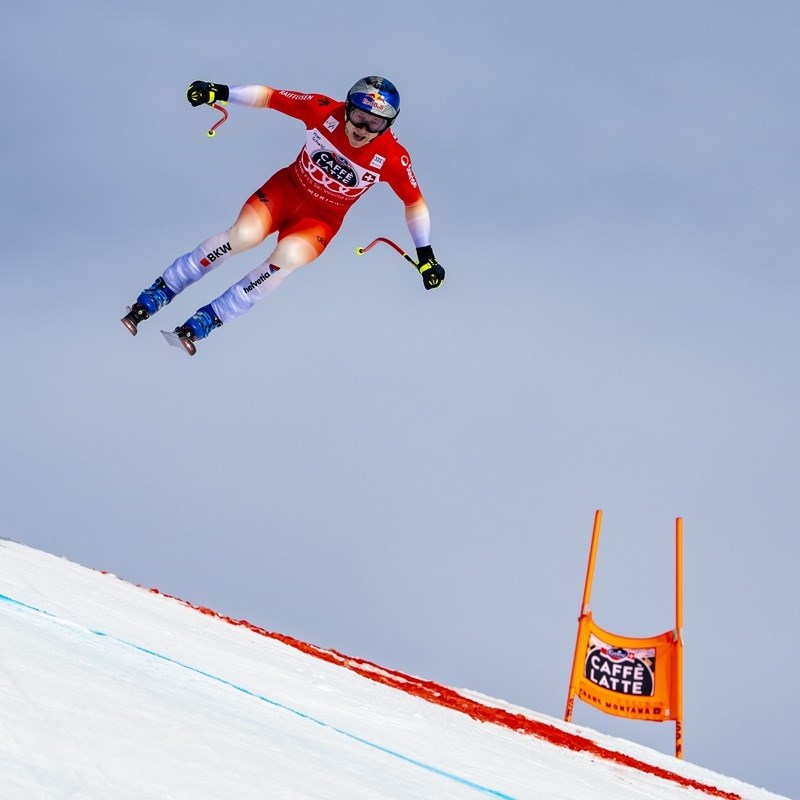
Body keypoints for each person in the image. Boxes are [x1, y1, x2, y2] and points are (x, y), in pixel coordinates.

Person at [122, 76, 445, 355]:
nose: (362, 129)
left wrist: (425, 254)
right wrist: (219, 92)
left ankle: (209, 319)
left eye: (375, 124)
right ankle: (160, 292)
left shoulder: (392, 157)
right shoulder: (321, 109)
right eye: (359, 116)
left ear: (388, 125)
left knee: (284, 261)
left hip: (320, 221)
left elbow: (414, 203)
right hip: (285, 192)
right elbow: (270, 97)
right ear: (346, 107)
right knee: (241, 237)